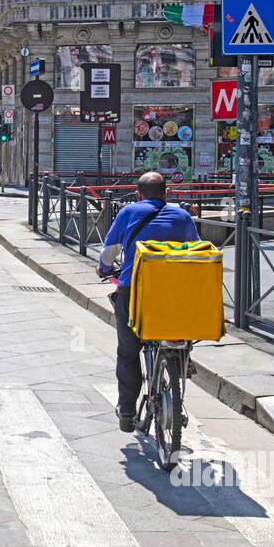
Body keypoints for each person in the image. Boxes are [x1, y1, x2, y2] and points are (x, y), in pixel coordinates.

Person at [96, 172, 200, 433]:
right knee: (180, 329)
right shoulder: (182, 216)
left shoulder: (129, 212)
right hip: (173, 293)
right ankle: (184, 358)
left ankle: (127, 411)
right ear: (166, 193)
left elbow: (110, 251)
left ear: (138, 194)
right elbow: (197, 249)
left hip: (135, 291)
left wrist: (104, 269)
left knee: (128, 351)